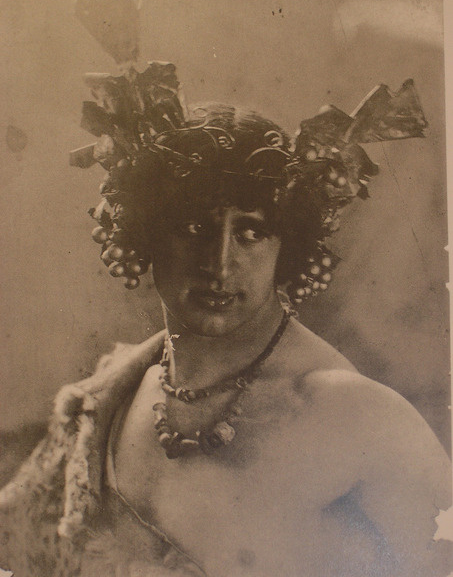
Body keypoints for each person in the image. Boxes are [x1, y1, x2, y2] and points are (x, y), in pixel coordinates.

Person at [0, 86, 451, 577]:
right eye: (194, 228)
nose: (218, 264)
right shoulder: (109, 397)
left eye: (251, 233)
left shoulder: (357, 415)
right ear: (145, 233)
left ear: (287, 247)